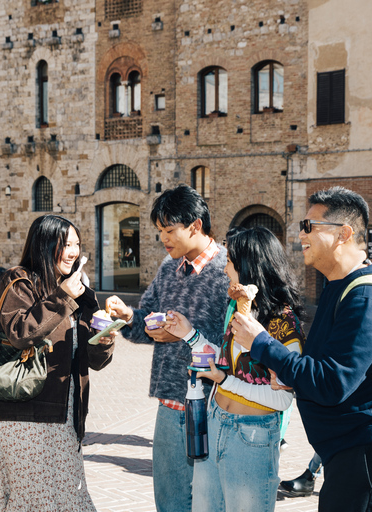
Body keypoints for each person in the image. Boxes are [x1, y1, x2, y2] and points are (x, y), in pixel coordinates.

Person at [232, 186, 372, 512]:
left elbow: (332, 382)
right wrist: (291, 377)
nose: (300, 234)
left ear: (343, 233)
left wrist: (261, 343)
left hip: (368, 454)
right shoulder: (341, 286)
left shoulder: (366, 298)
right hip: (350, 451)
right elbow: (329, 366)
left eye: (308, 226)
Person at [105, 185, 231, 512]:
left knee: (211, 502)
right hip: (170, 405)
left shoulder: (229, 271)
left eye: (170, 230)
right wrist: (130, 316)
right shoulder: (168, 268)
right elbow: (146, 321)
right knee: (170, 502)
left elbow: (240, 347)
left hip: (217, 405)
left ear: (196, 226)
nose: (164, 238)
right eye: (160, 231)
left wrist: (186, 336)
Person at [164, 226, 306, 512]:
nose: (225, 269)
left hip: (251, 436)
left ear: (250, 267)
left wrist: (223, 381)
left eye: (230, 262)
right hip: (215, 419)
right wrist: (190, 335)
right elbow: (231, 364)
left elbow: (282, 399)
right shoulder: (240, 308)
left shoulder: (283, 324)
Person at [0, 214, 115, 511]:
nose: (73, 252)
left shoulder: (78, 290)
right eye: (65, 244)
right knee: (32, 503)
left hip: (66, 414)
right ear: (44, 245)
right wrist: (62, 297)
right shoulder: (19, 282)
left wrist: (105, 339)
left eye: (77, 245)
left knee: (71, 501)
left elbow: (92, 359)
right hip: (22, 416)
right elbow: (21, 333)